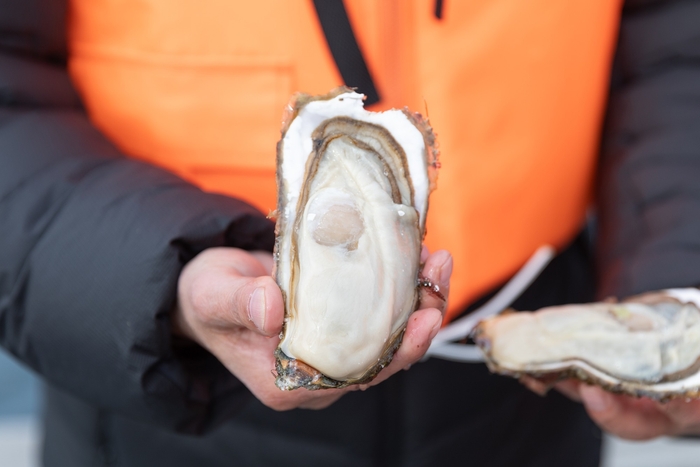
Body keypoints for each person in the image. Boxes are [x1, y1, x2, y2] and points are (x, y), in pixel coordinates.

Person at [1, 0, 700, 466]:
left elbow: (676, 41)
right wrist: (167, 279)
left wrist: (676, 273)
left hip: (528, 375)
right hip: (169, 375)